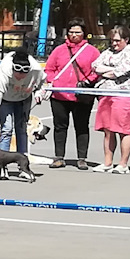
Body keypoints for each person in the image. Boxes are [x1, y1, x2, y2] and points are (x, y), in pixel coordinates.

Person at [43, 21, 100, 168]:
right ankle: (59, 157)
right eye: (71, 32)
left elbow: (97, 70)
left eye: (77, 32)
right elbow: (49, 69)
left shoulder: (92, 51)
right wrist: (53, 81)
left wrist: (88, 81)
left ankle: (82, 158)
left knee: (81, 126)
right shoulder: (59, 50)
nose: (74, 35)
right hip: (59, 96)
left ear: (84, 34)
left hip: (81, 95)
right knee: (60, 126)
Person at [93, 25, 130, 173]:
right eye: (112, 41)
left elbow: (120, 72)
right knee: (108, 130)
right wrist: (109, 70)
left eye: (117, 41)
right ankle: (107, 163)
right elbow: (94, 66)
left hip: (123, 95)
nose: (114, 44)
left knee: (122, 130)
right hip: (105, 94)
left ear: (126, 39)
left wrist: (107, 70)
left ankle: (123, 164)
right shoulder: (107, 52)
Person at [0, 45, 45, 152]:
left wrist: (38, 93)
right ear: (12, 69)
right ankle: (3, 163)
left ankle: (22, 161)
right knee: (6, 129)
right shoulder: (3, 73)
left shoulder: (36, 69)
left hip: (24, 99)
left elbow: (42, 83)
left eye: (24, 75)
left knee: (22, 129)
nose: (20, 77)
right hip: (6, 99)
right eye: (17, 74)